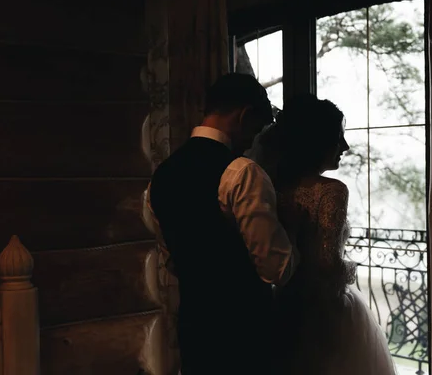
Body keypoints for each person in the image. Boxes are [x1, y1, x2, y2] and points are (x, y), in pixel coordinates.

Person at [147, 73, 298, 375]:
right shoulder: (242, 172)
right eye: (257, 129)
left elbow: (172, 258)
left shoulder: (162, 175)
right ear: (245, 115)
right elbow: (276, 268)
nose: (254, 140)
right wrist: (295, 231)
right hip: (245, 333)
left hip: (194, 328)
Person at [249, 94, 397, 375]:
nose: (345, 146)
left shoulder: (272, 186)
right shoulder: (331, 190)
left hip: (282, 306)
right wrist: (350, 270)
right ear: (317, 141)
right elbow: (327, 263)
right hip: (324, 314)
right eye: (338, 137)